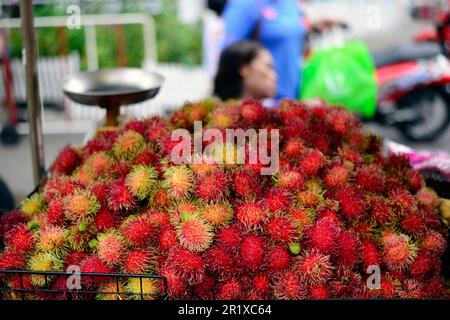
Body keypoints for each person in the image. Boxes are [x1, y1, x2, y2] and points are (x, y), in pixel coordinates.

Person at [221, 0, 308, 100]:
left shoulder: (291, 3)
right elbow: (229, 54)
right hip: (258, 103)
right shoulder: (245, 4)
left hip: (291, 98)